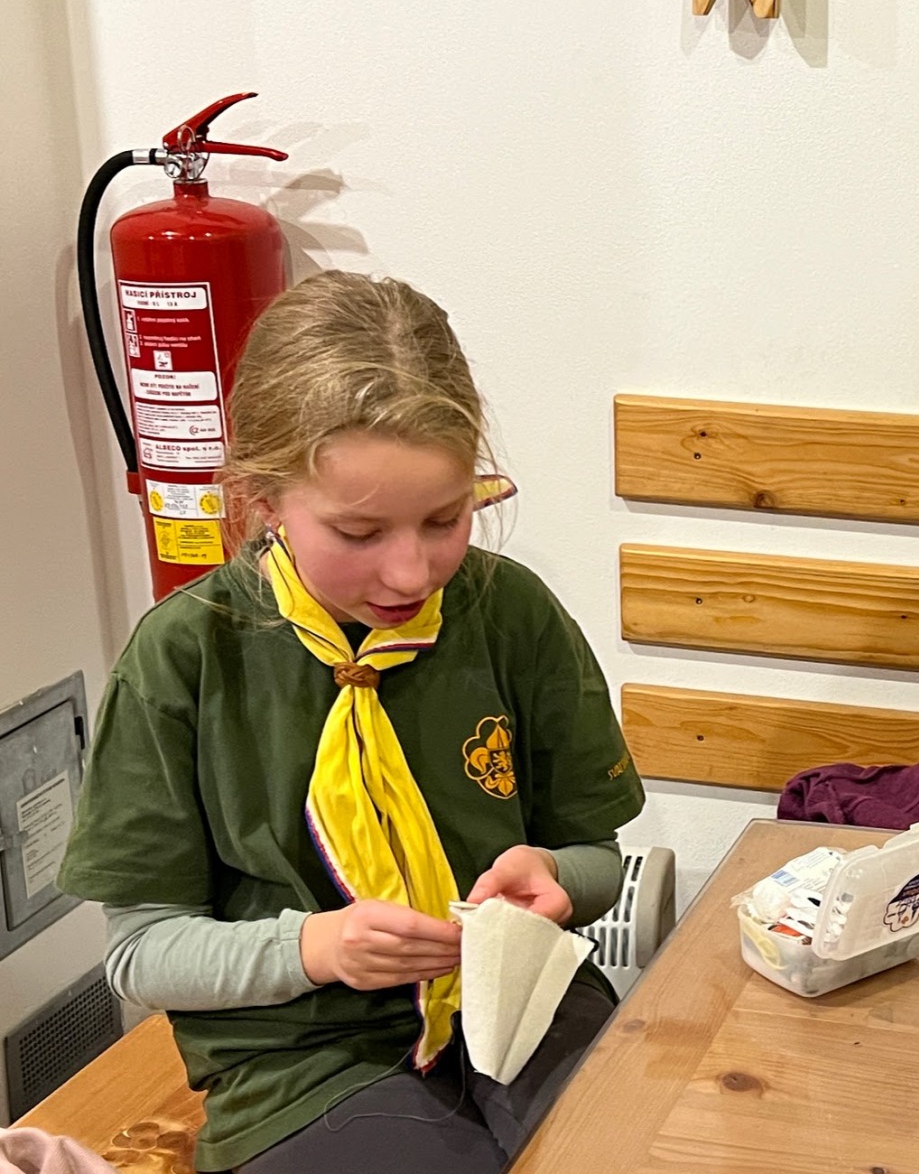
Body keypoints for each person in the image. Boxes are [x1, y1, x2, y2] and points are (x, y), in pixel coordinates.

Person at [57, 271, 644, 1172]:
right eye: (360, 534)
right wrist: (317, 946)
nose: (411, 573)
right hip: (302, 1056)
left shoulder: (509, 613)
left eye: (445, 519)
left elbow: (596, 858)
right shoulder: (185, 656)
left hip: (521, 1004)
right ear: (262, 500)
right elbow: (142, 952)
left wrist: (560, 877)